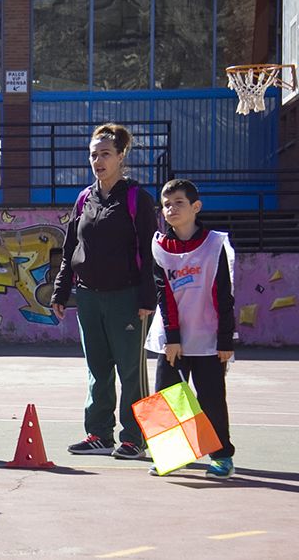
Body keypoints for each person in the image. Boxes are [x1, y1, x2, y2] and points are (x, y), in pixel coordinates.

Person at [51, 123, 158, 460]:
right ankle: (99, 434)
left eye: (106, 154)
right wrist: (61, 290)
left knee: (130, 370)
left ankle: (134, 438)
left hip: (126, 297)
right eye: (94, 155)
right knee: (97, 369)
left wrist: (146, 297)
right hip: (89, 296)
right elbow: (71, 247)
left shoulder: (136, 199)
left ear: (121, 156)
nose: (98, 160)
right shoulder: (84, 198)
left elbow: (149, 250)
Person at [145, 179, 236, 479]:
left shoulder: (214, 244)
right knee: (167, 397)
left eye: (179, 203)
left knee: (211, 399)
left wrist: (225, 340)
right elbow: (164, 294)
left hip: (208, 339)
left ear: (196, 207)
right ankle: (171, 456)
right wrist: (172, 338)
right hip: (173, 339)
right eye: (166, 204)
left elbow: (224, 293)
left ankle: (222, 457)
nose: (171, 208)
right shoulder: (160, 246)